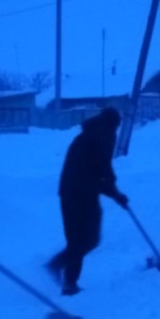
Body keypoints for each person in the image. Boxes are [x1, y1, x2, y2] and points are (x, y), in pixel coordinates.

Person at [47, 107, 129, 296]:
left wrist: (116, 195)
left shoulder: (88, 135)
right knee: (89, 239)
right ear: (114, 123)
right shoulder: (105, 134)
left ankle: (69, 283)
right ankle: (60, 266)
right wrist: (116, 193)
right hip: (83, 194)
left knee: (76, 240)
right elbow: (104, 169)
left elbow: (95, 172)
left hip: (68, 193)